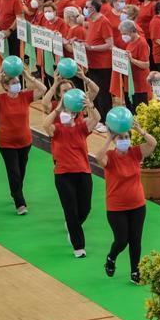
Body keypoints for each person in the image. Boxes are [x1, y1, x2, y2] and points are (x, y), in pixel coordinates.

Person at [42, 81, 100, 258]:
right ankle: (78, 246)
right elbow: (45, 125)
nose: (68, 114)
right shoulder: (57, 130)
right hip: (63, 174)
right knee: (70, 209)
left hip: (83, 172)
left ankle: (72, 224)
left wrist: (90, 107)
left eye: (70, 112)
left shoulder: (82, 128)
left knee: (85, 208)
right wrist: (59, 108)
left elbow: (96, 119)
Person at [95, 120, 156, 283]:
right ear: (115, 140)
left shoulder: (135, 153)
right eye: (120, 138)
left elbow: (152, 143)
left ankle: (135, 271)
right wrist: (109, 137)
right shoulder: (109, 157)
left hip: (137, 205)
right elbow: (97, 157)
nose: (124, 140)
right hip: (116, 208)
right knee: (122, 240)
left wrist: (140, 130)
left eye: (126, 137)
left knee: (136, 240)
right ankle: (111, 257)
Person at [0, 70, 46, 215]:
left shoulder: (25, 96)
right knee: (14, 172)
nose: (17, 85)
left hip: (25, 141)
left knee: (21, 171)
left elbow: (43, 89)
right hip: (7, 143)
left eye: (18, 82)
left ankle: (16, 192)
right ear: (6, 86)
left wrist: (28, 76)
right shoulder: (0, 99)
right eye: (13, 83)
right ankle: (20, 203)